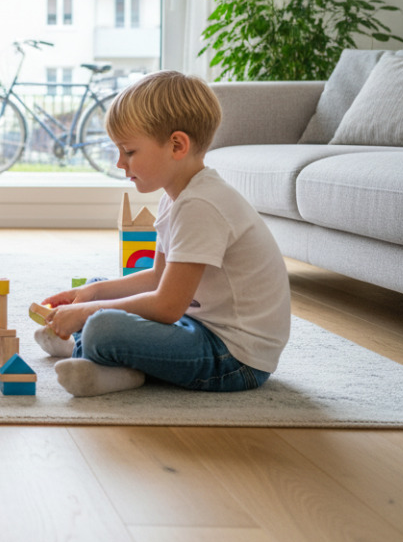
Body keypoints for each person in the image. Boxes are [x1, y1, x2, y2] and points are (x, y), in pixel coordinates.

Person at [33, 70, 290, 397]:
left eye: (129, 151)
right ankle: (91, 350)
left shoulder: (201, 205)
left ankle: (106, 364)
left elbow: (167, 306)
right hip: (199, 325)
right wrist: (92, 294)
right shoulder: (176, 196)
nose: (119, 163)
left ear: (177, 145)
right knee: (99, 289)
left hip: (235, 358)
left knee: (101, 324)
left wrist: (87, 312)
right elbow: (157, 278)